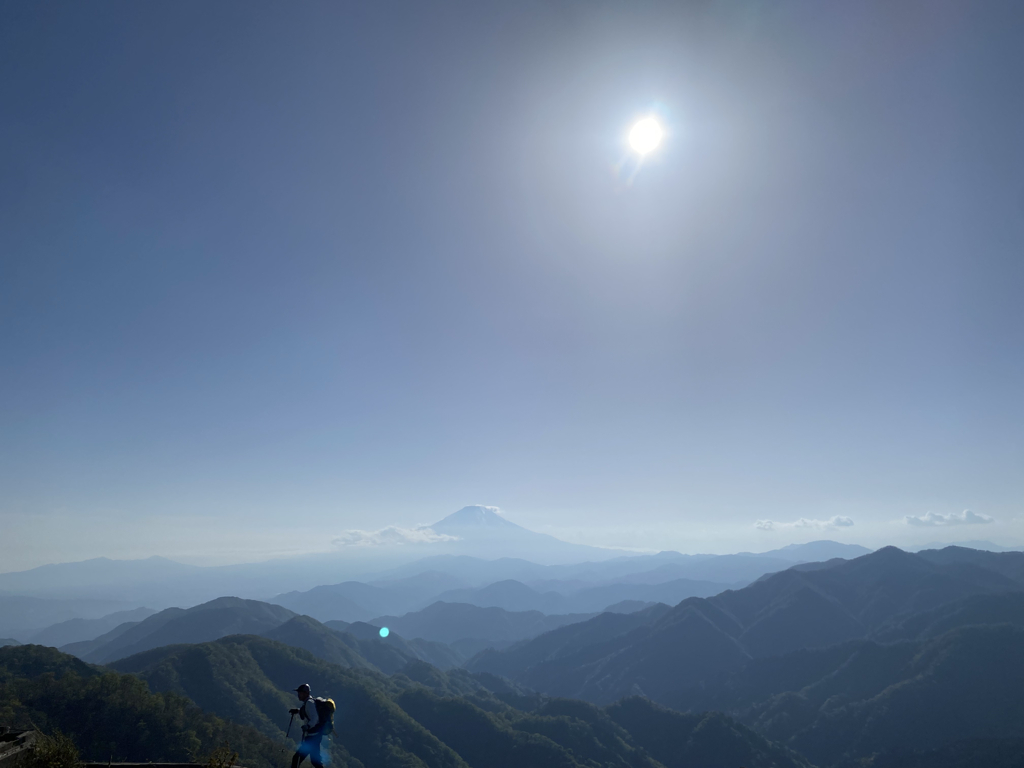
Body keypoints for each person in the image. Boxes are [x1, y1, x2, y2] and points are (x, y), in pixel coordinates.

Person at [289, 683, 324, 768]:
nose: (298, 695)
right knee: (315, 762)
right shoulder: (308, 702)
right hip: (315, 736)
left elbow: (314, 718)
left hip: (312, 738)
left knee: (296, 759)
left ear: (306, 693)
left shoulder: (309, 703)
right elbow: (307, 711)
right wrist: (297, 710)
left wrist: (308, 726)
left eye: (300, 693)